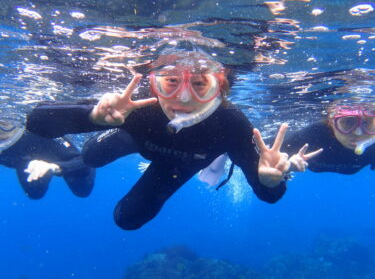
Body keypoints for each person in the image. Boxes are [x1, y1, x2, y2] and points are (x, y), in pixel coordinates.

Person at [26, 50, 320, 230]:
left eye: (199, 84)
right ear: (155, 83)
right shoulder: (140, 105)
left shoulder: (232, 123)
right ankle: (76, 165)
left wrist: (271, 182)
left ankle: (70, 166)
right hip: (134, 139)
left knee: (127, 220)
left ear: (219, 89)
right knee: (92, 157)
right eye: (171, 82)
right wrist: (92, 116)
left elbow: (268, 195)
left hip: (178, 165)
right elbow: (37, 123)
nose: (182, 98)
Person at [0, 119, 96, 199]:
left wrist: (53, 167)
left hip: (60, 156)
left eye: (2, 126)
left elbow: (84, 161)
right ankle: (40, 169)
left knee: (82, 190)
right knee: (34, 194)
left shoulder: (37, 134)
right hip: (26, 161)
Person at [284, 104, 375, 174]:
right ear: (331, 122)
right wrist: (281, 172)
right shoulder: (310, 135)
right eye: (348, 122)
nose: (358, 132)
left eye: (367, 123)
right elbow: (272, 197)